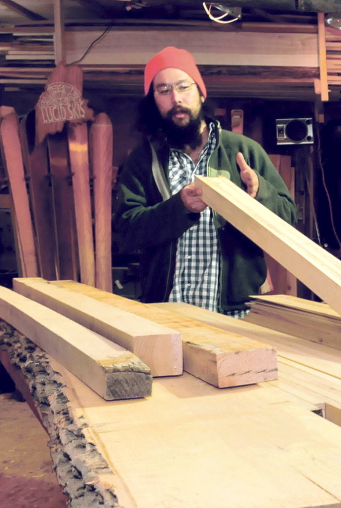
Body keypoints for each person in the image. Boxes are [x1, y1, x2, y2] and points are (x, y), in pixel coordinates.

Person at [113, 46, 297, 317]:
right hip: (166, 313)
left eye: (183, 87)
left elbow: (289, 221)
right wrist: (180, 208)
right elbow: (127, 233)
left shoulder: (244, 151)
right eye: (163, 91)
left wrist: (260, 194)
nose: (176, 98)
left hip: (236, 313)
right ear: (154, 101)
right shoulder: (142, 159)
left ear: (200, 92)